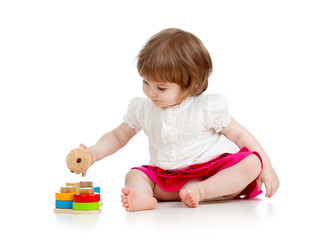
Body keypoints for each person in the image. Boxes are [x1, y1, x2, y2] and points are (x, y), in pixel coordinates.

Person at [77, 28, 279, 212]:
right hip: (168, 179)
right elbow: (118, 136)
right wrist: (94, 152)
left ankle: (203, 190)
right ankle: (145, 198)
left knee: (252, 162)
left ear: (191, 85)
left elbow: (240, 134)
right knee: (134, 175)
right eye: (146, 82)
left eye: (161, 88)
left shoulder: (205, 107)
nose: (151, 93)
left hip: (212, 174)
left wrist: (266, 167)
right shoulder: (143, 109)